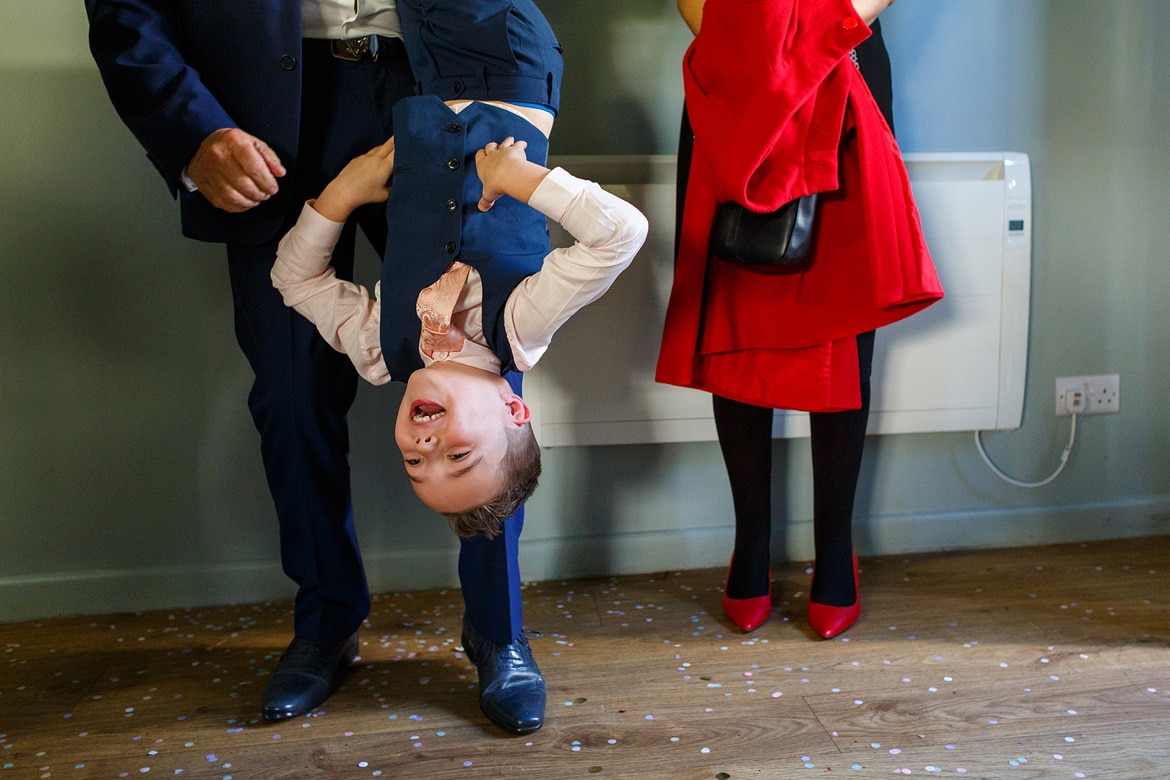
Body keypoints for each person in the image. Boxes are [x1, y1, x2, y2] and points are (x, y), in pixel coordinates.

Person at [83, 0, 562, 733]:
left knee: (486, 381)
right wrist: (188, 128)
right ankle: (327, 623)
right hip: (261, 104)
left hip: (458, 72)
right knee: (289, 387)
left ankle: (498, 630)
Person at [657, 0, 944, 638]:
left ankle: (835, 547)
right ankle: (751, 544)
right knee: (736, 316)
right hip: (732, 75)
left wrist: (800, 45)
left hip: (843, 63)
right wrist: (759, 49)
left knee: (838, 318)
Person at [271, 134, 648, 534]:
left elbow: (294, 279)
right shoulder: (521, 326)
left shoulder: (377, 350)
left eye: (414, 463)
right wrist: (516, 175)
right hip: (507, 96)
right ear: (513, 411)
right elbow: (619, 234)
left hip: (416, 110)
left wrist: (342, 194)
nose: (427, 448)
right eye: (459, 456)